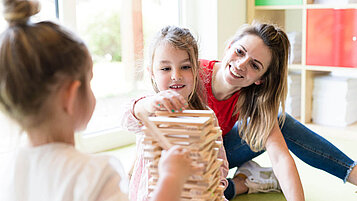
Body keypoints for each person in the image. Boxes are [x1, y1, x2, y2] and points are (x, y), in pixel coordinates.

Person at [0, 1, 198, 201]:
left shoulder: (7, 169)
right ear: (70, 95)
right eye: (90, 81)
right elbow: (131, 114)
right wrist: (172, 179)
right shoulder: (96, 175)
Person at [201, 22, 357, 200]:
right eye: (240, 51)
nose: (241, 64)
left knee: (277, 120)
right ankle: (244, 183)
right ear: (229, 46)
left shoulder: (251, 97)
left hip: (217, 155)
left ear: (260, 79)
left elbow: (280, 158)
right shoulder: (192, 75)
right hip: (180, 161)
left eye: (255, 65)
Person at [121, 25, 229, 201]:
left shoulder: (205, 114)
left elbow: (220, 161)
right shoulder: (149, 109)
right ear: (152, 73)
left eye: (185, 67)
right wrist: (149, 105)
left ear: (196, 71)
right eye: (165, 69)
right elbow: (126, 117)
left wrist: (216, 184)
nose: (176, 75)